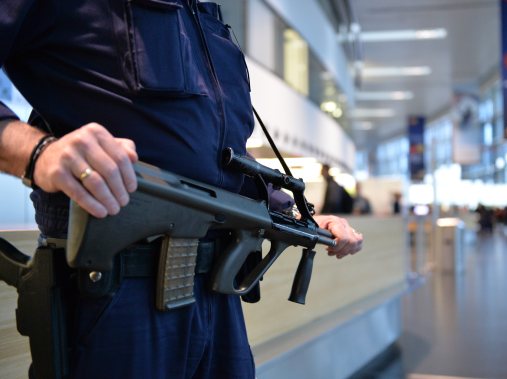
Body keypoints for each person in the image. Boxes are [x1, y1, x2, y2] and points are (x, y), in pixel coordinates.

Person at [0, 1, 363, 378]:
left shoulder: (205, 17)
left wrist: (299, 217)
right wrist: (36, 152)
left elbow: (222, 161)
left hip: (215, 292)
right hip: (116, 290)